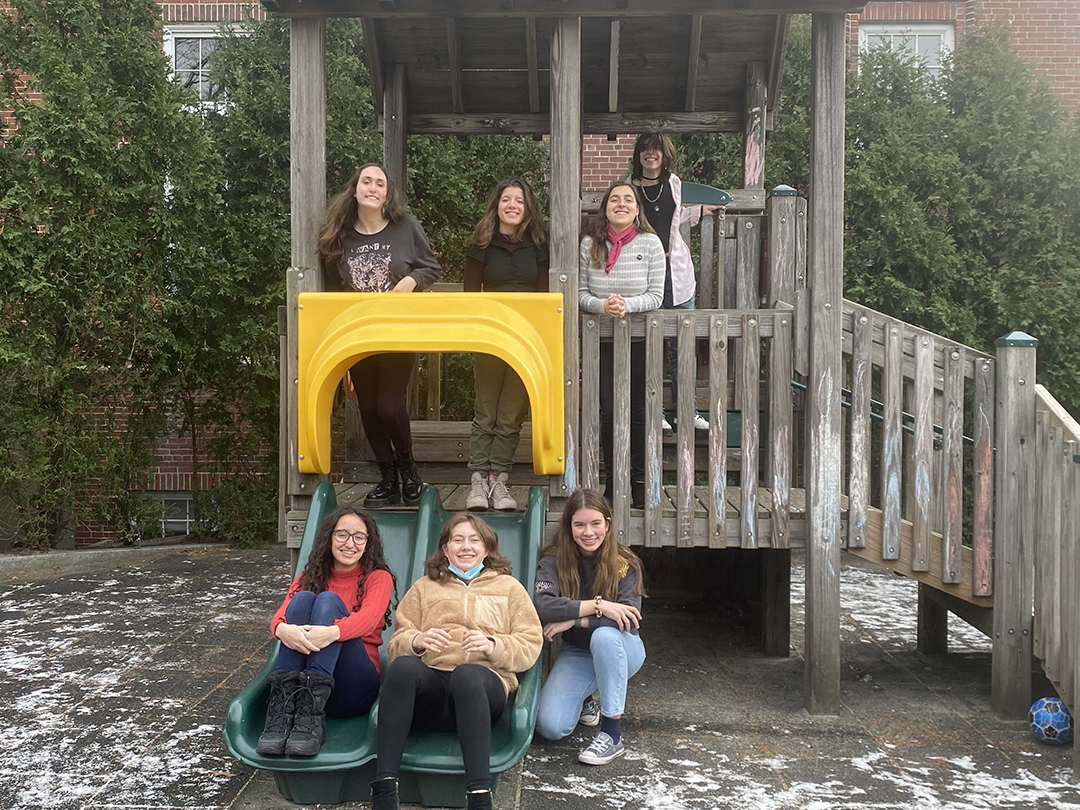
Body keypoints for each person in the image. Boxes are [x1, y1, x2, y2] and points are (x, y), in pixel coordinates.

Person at [371, 514, 543, 810]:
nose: (466, 546)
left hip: (484, 689)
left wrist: (494, 645)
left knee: (467, 675)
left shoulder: (509, 588)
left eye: (474, 540)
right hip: (434, 694)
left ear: (487, 549)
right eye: (457, 540)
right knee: (402, 668)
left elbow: (530, 643)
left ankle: (479, 795)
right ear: (445, 548)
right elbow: (398, 641)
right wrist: (417, 640)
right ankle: (385, 788)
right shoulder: (425, 587)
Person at [318, 163, 442, 509]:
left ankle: (408, 469)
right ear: (355, 189)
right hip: (358, 334)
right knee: (368, 409)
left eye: (380, 183)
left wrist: (410, 281)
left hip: (399, 331)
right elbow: (331, 286)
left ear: (387, 194)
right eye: (366, 181)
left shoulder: (406, 227)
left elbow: (431, 266)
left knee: (389, 404)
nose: (373, 188)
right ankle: (387, 477)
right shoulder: (339, 235)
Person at [256, 507, 396, 757]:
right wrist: (283, 630)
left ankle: (310, 721)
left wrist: (331, 633)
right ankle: (282, 714)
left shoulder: (378, 577)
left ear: (367, 542)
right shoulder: (309, 576)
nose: (350, 543)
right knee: (303, 600)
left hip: (353, 689)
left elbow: (368, 620)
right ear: (329, 538)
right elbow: (279, 617)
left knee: (327, 602)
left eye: (359, 537)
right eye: (342, 534)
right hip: (301, 692)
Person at [533, 489, 646, 765]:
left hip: (621, 646)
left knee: (605, 636)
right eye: (579, 524)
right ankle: (585, 698)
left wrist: (575, 618)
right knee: (550, 726)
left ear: (607, 524)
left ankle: (612, 735)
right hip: (578, 651)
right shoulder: (554, 560)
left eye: (596, 523)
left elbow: (628, 618)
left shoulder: (624, 563)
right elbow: (543, 605)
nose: (588, 532)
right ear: (569, 527)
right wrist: (600, 605)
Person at [463, 178, 549, 512]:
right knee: (486, 411)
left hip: (526, 339)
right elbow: (470, 297)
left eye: (519, 201)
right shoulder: (481, 243)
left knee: (511, 414)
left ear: (527, 208)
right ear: (496, 205)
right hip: (490, 336)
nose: (513, 205)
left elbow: (544, 296)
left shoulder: (539, 245)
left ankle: (499, 480)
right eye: (506, 200)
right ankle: (478, 481)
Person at [630, 132, 724, 432]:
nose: (650, 154)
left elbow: (672, 214)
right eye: (645, 149)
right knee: (650, 346)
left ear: (664, 154)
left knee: (682, 344)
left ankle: (688, 410)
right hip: (644, 272)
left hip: (677, 271)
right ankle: (654, 411)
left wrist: (699, 212)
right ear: (639, 155)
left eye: (655, 149)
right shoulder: (630, 187)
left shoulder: (674, 183)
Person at [579, 180, 665, 508]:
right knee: (608, 411)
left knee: (639, 412)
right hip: (601, 339)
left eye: (628, 199)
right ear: (605, 208)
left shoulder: (651, 244)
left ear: (637, 208)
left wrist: (626, 305)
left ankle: (639, 485)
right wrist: (604, 306)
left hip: (640, 339)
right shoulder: (589, 245)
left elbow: (656, 295)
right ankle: (614, 483)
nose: (621, 204)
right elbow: (579, 293)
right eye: (614, 199)